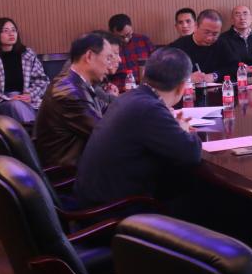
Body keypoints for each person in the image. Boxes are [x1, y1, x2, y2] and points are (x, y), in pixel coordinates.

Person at [75, 47, 201, 207]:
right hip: (113, 210)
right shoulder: (149, 108)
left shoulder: (129, 97)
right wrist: (183, 130)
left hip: (94, 198)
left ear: (145, 74)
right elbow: (191, 153)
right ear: (182, 86)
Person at [34, 32, 115, 169]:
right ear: (89, 56)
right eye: (108, 58)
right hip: (68, 172)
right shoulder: (69, 93)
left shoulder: (74, 81)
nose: (110, 65)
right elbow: (104, 133)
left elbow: (107, 108)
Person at [0, 17, 49, 121]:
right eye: (6, 31)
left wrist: (29, 94)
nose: (11, 34)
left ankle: (30, 129)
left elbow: (42, 80)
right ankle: (32, 129)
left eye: (13, 30)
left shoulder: (27, 54)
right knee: (15, 105)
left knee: (51, 107)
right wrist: (8, 98)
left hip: (28, 101)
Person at [169, 9, 239, 83]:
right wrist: (188, 78)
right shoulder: (178, 47)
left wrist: (215, 76)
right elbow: (166, 74)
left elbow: (235, 67)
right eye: (206, 32)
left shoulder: (221, 43)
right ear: (196, 27)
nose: (210, 38)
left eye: (215, 34)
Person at [108, 13, 155, 90]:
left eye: (128, 34)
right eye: (121, 37)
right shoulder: (107, 47)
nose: (126, 39)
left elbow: (157, 64)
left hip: (145, 87)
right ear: (112, 33)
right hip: (120, 89)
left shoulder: (143, 41)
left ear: (131, 28)